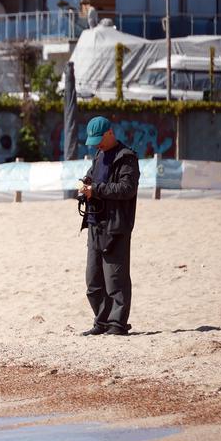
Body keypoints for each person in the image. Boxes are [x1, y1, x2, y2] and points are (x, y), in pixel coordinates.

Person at [78, 116, 139, 336]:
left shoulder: (127, 158)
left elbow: (126, 189)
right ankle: (101, 321)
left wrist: (97, 189)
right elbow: (92, 177)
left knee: (116, 279)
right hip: (95, 223)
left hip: (116, 226)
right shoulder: (99, 155)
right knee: (93, 280)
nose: (97, 145)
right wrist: (85, 185)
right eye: (94, 141)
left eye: (99, 140)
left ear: (110, 133)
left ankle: (117, 324)